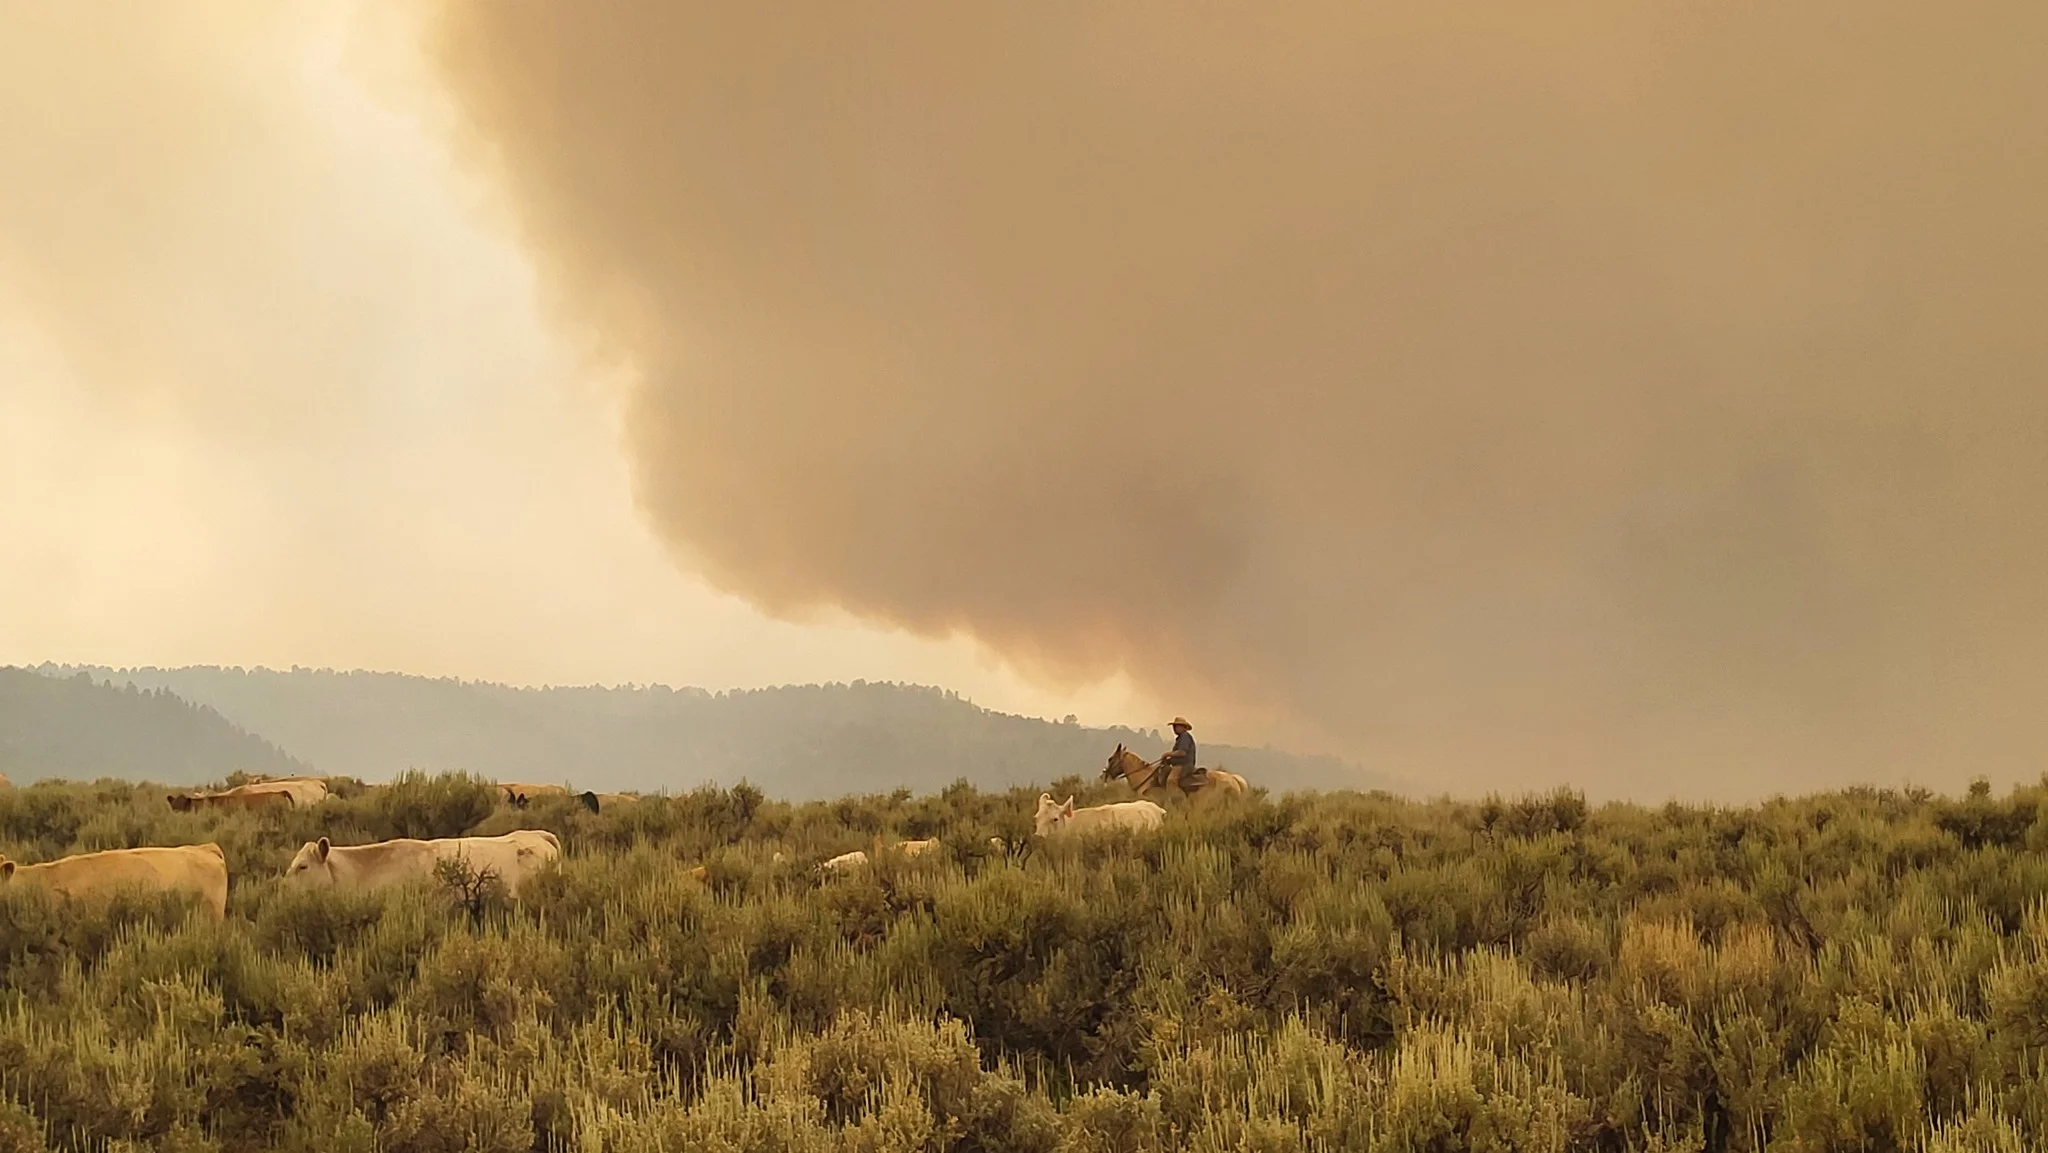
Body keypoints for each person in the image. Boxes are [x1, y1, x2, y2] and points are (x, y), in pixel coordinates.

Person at [1161, 717, 1204, 789]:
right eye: (1174, 726)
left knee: (1171, 780)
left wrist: (1167, 754)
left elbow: (1182, 752)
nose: (1174, 728)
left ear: (1183, 727)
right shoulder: (1181, 737)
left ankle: (1175, 798)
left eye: (1177, 726)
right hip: (1181, 764)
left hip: (1183, 765)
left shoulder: (1185, 736)